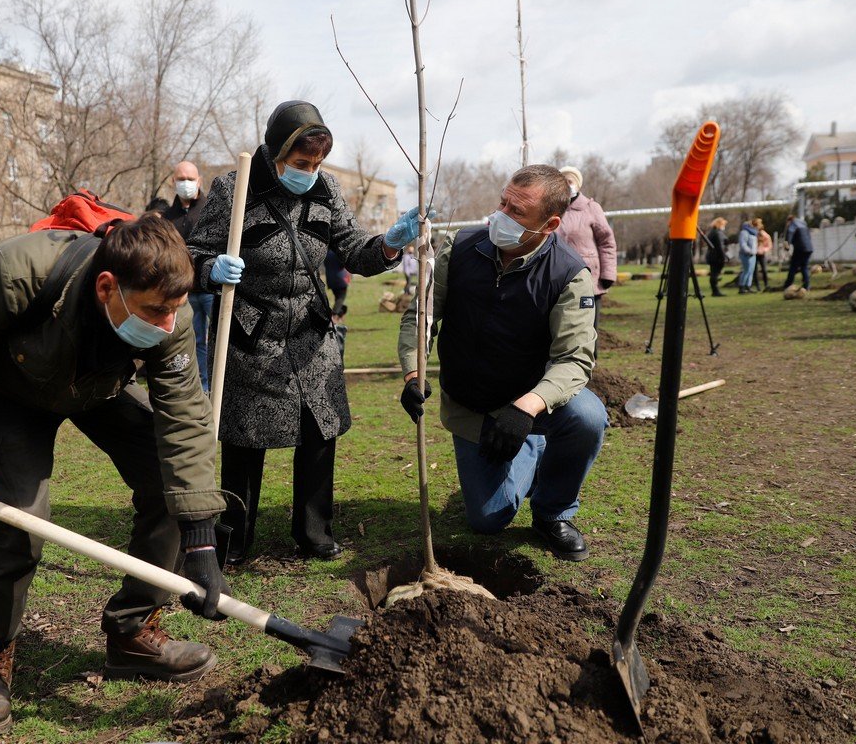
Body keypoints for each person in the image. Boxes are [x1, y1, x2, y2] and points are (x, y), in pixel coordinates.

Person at [0, 216, 229, 737]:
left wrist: (201, 538)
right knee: (20, 518)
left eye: (173, 312)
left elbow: (186, 418)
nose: (167, 325)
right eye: (154, 312)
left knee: (167, 486)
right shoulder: (17, 273)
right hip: (11, 389)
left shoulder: (170, 309)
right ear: (107, 287)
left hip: (98, 387)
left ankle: (131, 631)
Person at [187, 100, 421, 564]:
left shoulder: (327, 189)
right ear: (275, 154)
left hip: (311, 333)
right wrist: (211, 267)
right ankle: (233, 538)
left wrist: (390, 245)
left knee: (320, 431)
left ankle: (314, 533)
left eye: (316, 164)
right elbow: (191, 255)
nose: (309, 172)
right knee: (245, 440)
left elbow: (354, 250)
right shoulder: (235, 188)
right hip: (251, 333)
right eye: (300, 164)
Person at [396, 164, 605, 562]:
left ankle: (552, 512)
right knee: (489, 520)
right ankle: (532, 450)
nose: (501, 216)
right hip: (472, 403)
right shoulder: (460, 248)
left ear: (550, 224)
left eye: (517, 212)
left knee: (587, 417)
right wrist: (412, 372)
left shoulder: (568, 273)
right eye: (502, 202)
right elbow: (420, 317)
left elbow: (574, 359)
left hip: (531, 401)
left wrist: (527, 407)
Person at [162, 161, 213, 390]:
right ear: (173, 181)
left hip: (213, 288)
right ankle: (201, 387)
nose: (186, 183)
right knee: (194, 341)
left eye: (190, 179)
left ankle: (222, 385)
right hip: (185, 292)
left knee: (224, 340)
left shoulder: (212, 208)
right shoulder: (167, 217)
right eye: (181, 179)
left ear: (199, 181)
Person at [556, 166, 617, 335]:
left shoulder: (591, 208)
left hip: (589, 278)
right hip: (559, 277)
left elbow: (607, 242)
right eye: (563, 182)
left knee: (588, 327)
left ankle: (591, 360)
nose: (567, 185)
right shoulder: (554, 208)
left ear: (578, 184)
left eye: (570, 181)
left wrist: (608, 275)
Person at [782, 215, 814, 292]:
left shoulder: (793, 224)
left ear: (789, 220)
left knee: (793, 267)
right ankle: (807, 285)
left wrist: (787, 245)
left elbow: (790, 232)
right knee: (804, 267)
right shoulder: (803, 224)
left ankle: (788, 285)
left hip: (800, 248)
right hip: (809, 248)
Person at [705, 217, 728, 297]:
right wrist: (723, 257)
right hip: (716, 257)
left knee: (714, 273)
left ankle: (715, 290)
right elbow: (720, 246)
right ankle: (715, 291)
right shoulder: (717, 233)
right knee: (715, 274)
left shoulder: (712, 232)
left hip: (712, 255)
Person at [737, 217, 758, 293]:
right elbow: (743, 244)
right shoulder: (744, 232)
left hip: (753, 254)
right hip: (746, 255)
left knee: (751, 271)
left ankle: (748, 286)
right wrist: (748, 251)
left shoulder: (754, 233)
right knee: (746, 270)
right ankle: (742, 286)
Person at [753, 218, 772, 291]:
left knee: (764, 269)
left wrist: (764, 250)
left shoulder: (764, 234)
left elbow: (769, 244)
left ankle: (766, 284)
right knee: (755, 270)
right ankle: (757, 286)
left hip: (761, 253)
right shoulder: (752, 233)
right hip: (754, 253)